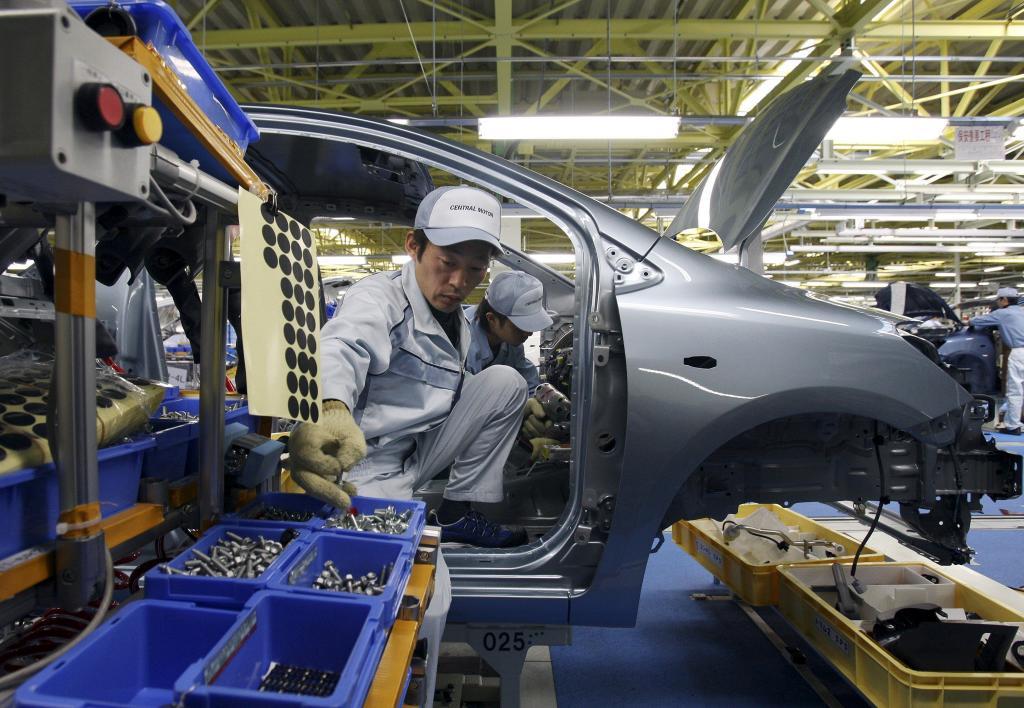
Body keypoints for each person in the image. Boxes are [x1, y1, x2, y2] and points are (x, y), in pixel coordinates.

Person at [289, 185, 528, 548]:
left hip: (418, 449)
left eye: (475, 269)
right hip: (366, 461)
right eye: (447, 263)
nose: (459, 283)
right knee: (430, 601)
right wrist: (330, 407)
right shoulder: (378, 298)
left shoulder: (459, 322)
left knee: (506, 383)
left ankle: (455, 513)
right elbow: (342, 346)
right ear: (413, 246)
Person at [465, 270, 552, 394]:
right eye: (520, 326)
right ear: (492, 319)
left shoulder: (511, 342)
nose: (529, 333)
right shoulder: (462, 344)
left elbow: (528, 377)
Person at [970, 286, 1024, 434]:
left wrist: (968, 321)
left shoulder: (1002, 314)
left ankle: (1013, 426)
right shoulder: (1022, 310)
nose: (998, 303)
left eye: (998, 300)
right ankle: (1012, 418)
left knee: (1015, 391)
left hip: (1019, 353)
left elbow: (975, 321)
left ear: (1004, 300)